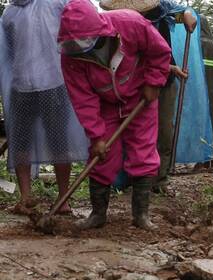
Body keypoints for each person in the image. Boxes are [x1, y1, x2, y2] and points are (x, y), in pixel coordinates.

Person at [58, 0, 172, 230]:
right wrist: (97, 136)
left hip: (140, 98)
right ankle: (98, 214)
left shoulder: (130, 24)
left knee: (143, 152)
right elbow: (83, 100)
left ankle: (141, 215)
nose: (81, 47)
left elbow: (159, 52)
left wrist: (154, 82)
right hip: (105, 106)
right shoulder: (70, 57)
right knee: (101, 155)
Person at [0, 0, 88, 215]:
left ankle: (63, 198)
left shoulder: (56, 2)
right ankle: (25, 198)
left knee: (59, 141)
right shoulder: (10, 13)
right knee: (20, 144)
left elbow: (75, 31)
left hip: (54, 83)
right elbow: (8, 50)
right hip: (21, 85)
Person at [99, 0, 196, 192]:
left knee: (164, 132)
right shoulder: (113, 23)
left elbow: (177, 21)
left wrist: (186, 15)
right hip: (130, 85)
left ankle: (159, 180)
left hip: (163, 82)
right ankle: (129, 180)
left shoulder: (162, 13)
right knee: (132, 133)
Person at [193, 15, 213, 171]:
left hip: (200, 92)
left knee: (200, 123)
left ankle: (201, 160)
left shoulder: (195, 44)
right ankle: (211, 160)